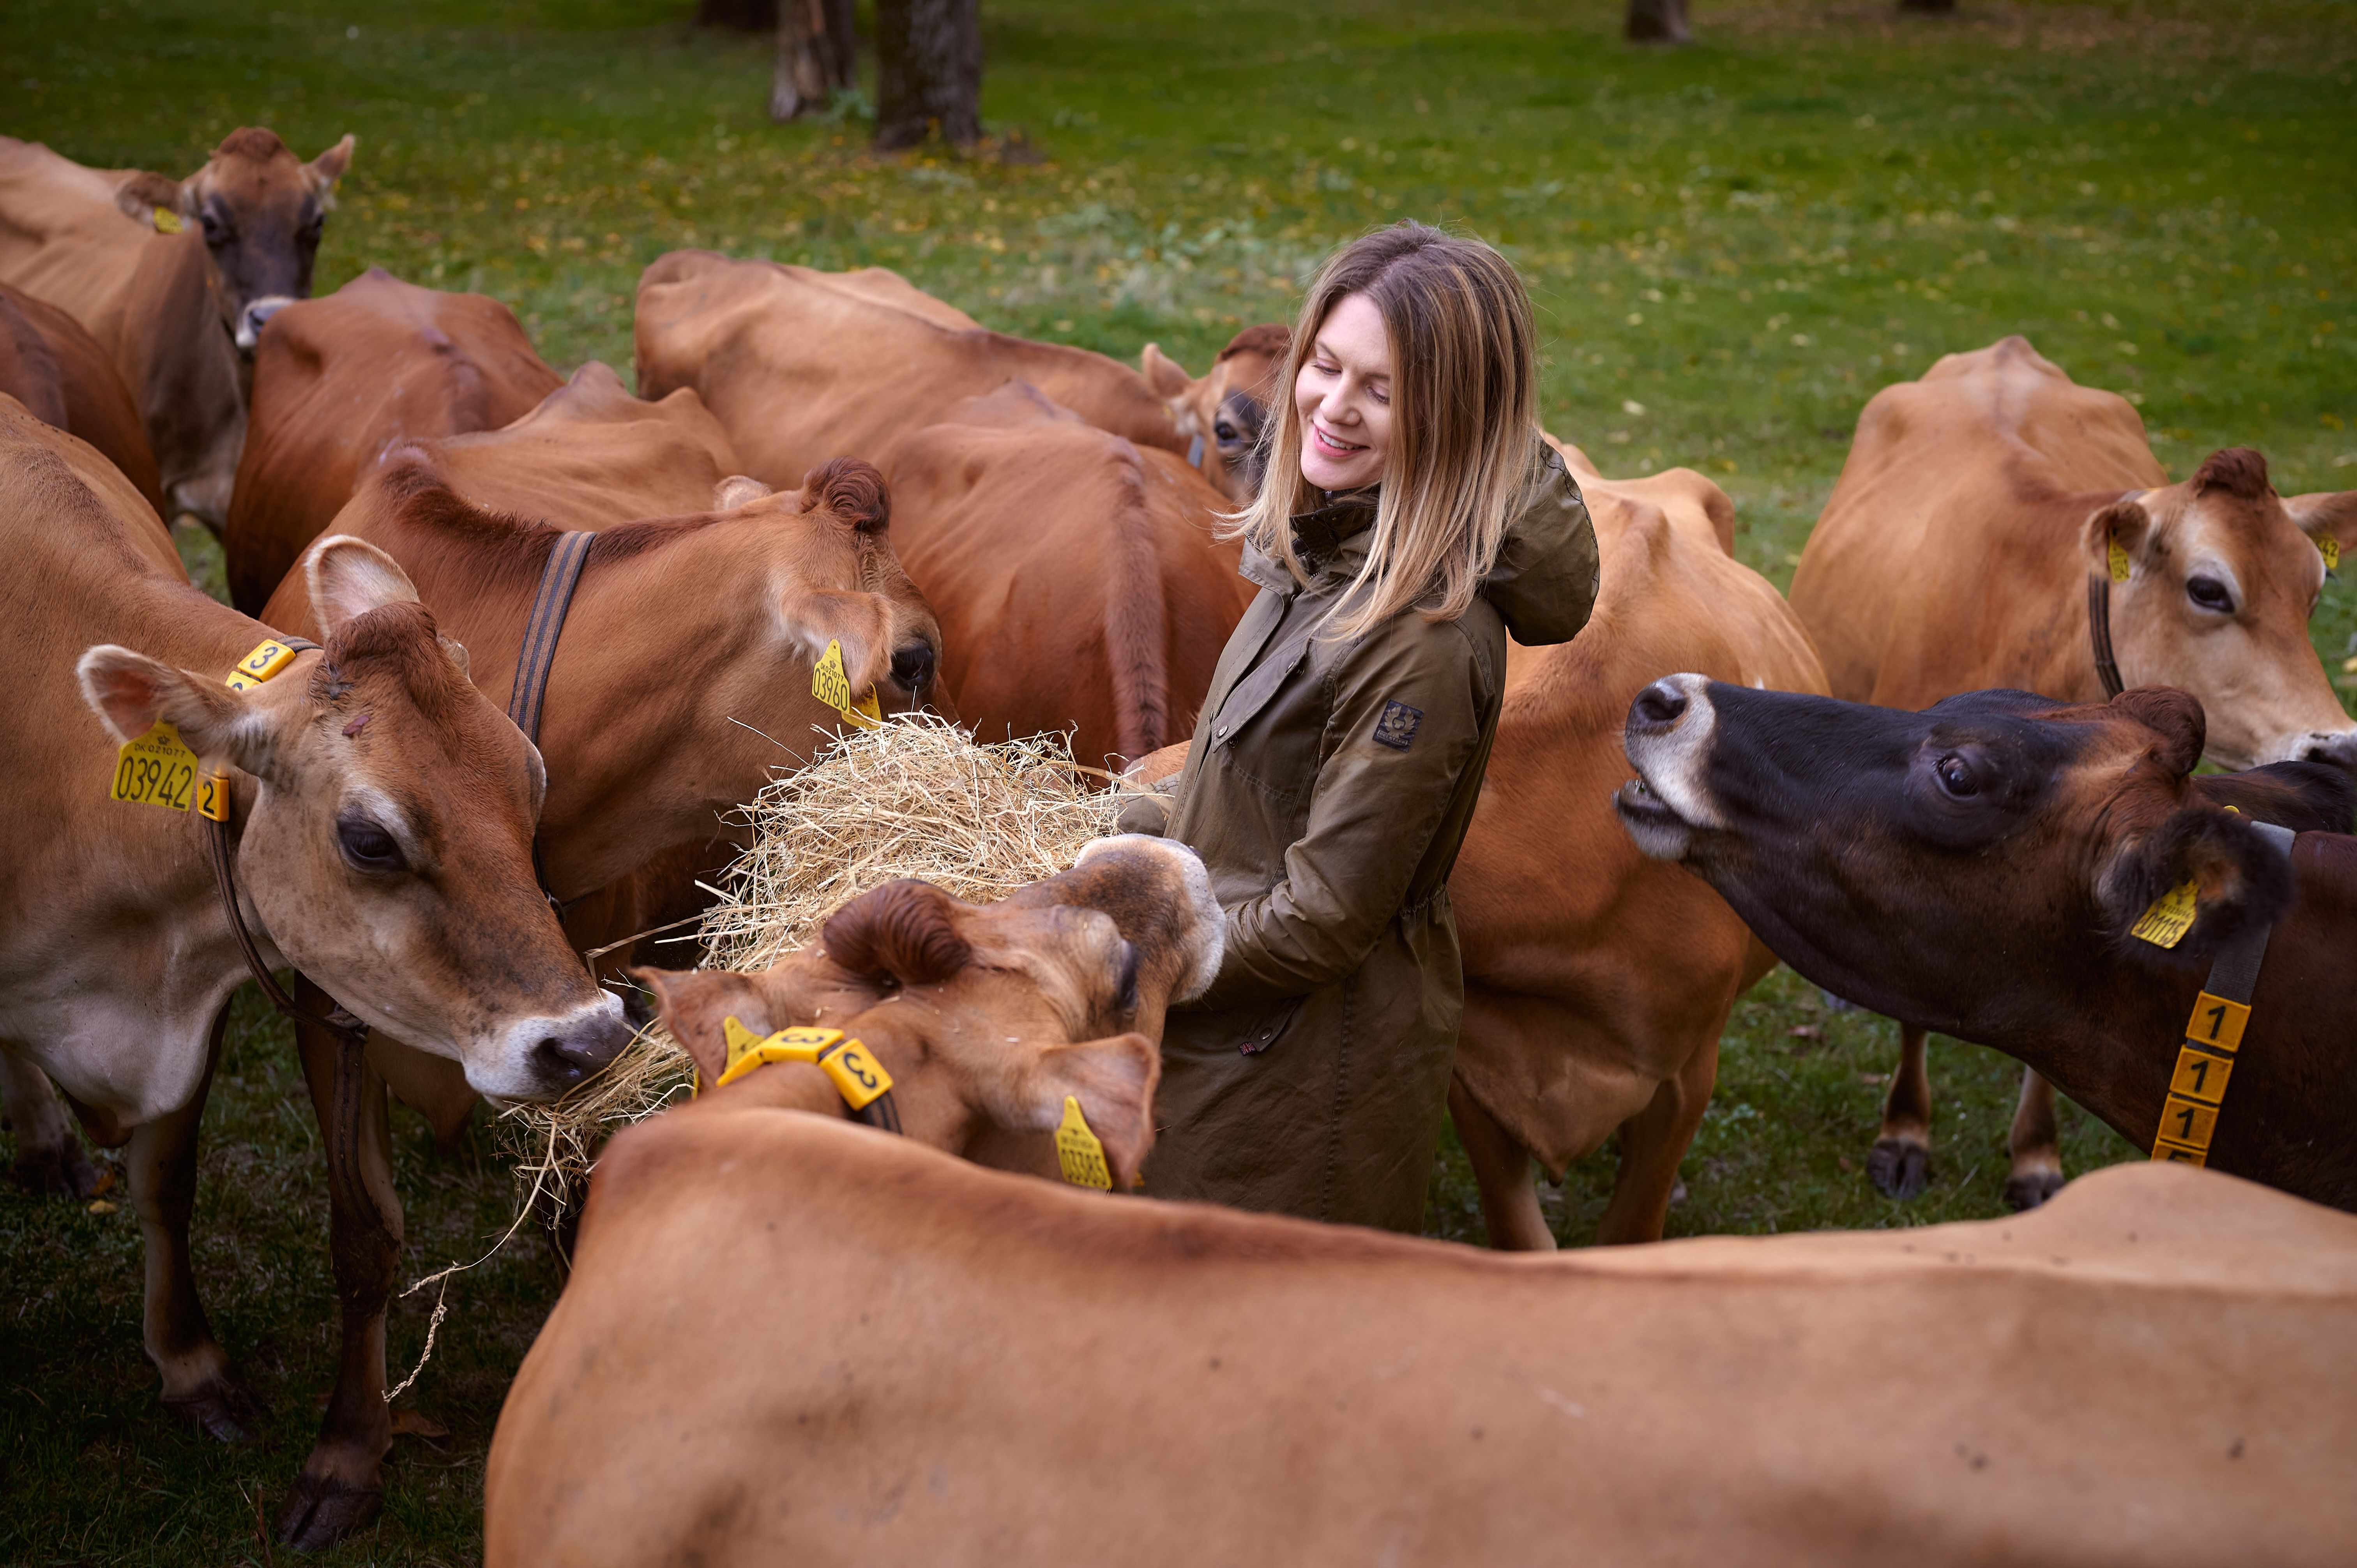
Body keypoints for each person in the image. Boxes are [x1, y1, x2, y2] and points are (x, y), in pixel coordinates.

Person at [1119, 222, 1599, 1232]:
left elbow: (1324, 920)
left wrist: (1137, 962)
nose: (1333, 408)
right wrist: (1127, 820)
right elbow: (1259, 783)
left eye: (1381, 391)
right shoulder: (1329, 544)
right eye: (1325, 367)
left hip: (1291, 1074)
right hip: (1231, 1021)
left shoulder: (1417, 638)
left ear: (1457, 416)